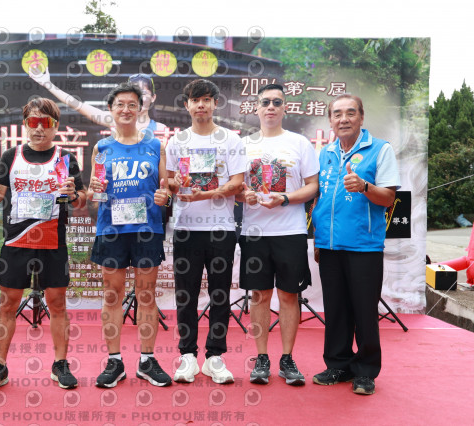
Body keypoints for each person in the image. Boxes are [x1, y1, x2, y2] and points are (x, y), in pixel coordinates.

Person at [0, 98, 86, 393]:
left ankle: (60, 364)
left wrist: (74, 194)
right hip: (16, 240)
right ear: (25, 124)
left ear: (55, 126)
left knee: (57, 303)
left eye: (45, 123)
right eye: (33, 122)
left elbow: (82, 200)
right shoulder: (11, 156)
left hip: (52, 240)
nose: (39, 129)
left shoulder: (66, 158)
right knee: (8, 303)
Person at [311, 94, 400, 395]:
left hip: (364, 245)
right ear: (330, 121)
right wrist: (319, 240)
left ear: (361, 117)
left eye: (350, 113)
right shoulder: (325, 153)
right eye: (337, 114)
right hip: (329, 245)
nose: (344, 119)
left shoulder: (380, 149)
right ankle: (338, 365)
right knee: (335, 310)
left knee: (364, 310)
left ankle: (365, 371)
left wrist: (365, 186)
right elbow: (321, 199)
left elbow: (388, 198)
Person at [89, 82, 172, 388]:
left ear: (140, 109)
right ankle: (114, 361)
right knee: (112, 295)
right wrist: (94, 190)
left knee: (146, 295)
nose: (126, 110)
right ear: (111, 110)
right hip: (112, 229)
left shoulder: (155, 146)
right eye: (120, 104)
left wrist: (165, 197)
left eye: (132, 105)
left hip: (147, 229)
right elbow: (93, 194)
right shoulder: (102, 148)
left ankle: (147, 360)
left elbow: (165, 188)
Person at [238, 84, 319, 386]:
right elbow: (235, 188)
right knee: (259, 296)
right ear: (256, 108)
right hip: (255, 232)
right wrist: (243, 195)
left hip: (291, 231)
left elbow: (313, 186)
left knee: (288, 295)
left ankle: (287, 358)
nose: (270, 107)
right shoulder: (243, 145)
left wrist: (284, 198)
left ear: (285, 108)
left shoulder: (300, 143)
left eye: (276, 102)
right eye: (265, 102)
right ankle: (261, 357)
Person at [166, 79, 246, 384]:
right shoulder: (176, 141)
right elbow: (169, 181)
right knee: (185, 294)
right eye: (195, 100)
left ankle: (215, 356)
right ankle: (187, 355)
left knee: (219, 293)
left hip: (220, 228)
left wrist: (203, 194)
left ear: (215, 104)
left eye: (206, 100)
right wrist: (174, 184)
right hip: (186, 227)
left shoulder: (231, 140)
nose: (201, 105)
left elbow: (237, 183)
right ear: (187, 105)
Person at [29, 65, 165, 135]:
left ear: (153, 98)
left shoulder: (161, 130)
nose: (139, 98)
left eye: (144, 93)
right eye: (135, 94)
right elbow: (77, 105)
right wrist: (48, 84)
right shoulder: (115, 120)